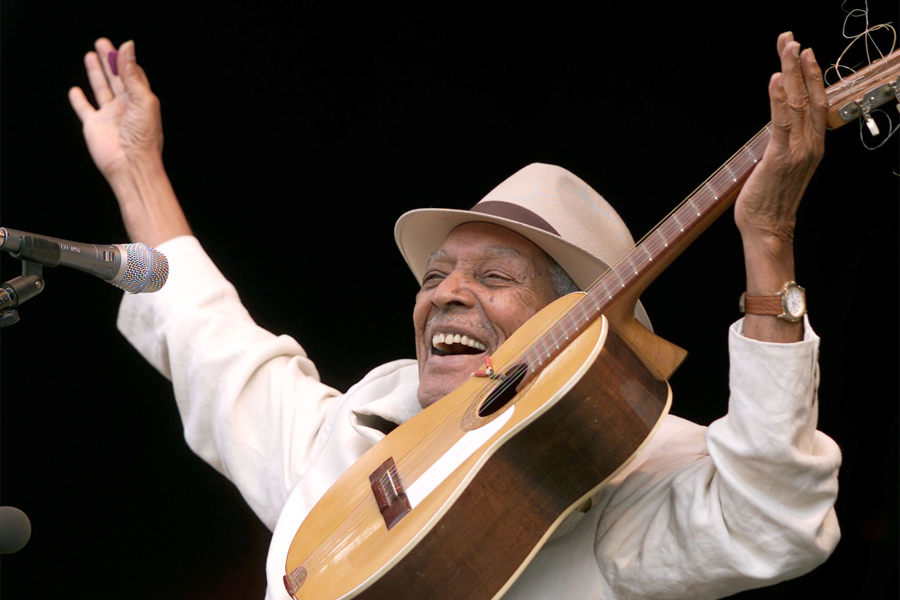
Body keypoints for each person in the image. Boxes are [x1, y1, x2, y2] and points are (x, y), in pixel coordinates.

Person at [68, 32, 841, 599]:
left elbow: (772, 509)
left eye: (494, 275)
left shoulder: (621, 471)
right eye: (435, 274)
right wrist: (137, 169)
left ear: (574, 326)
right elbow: (215, 346)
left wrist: (769, 241)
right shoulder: (355, 439)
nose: (445, 291)